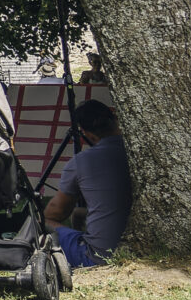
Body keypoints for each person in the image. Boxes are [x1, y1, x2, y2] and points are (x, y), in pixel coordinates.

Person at [46, 99, 130, 267]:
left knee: (43, 223)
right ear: (116, 120)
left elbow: (55, 213)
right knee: (78, 213)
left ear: (87, 134)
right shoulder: (140, 154)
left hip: (98, 256)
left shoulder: (81, 162)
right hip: (138, 248)